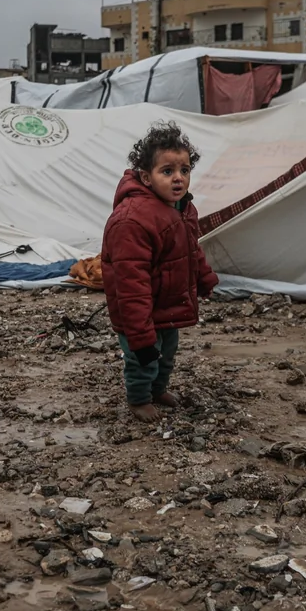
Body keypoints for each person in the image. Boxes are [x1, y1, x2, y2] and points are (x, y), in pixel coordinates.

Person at [102, 121, 219, 422]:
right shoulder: (132, 220)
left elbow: (191, 249)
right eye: (167, 171)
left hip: (167, 301)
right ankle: (139, 398)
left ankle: (158, 389)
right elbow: (131, 282)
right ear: (146, 177)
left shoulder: (182, 208)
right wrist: (139, 333)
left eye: (184, 170)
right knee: (143, 356)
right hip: (139, 309)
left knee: (167, 353)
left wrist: (204, 277)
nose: (178, 178)